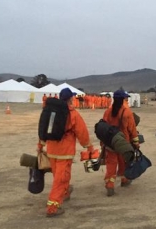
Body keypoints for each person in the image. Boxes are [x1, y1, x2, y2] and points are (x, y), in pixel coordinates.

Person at [37, 88, 95, 217]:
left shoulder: (51, 112)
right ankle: (53, 207)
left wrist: (40, 145)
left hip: (52, 150)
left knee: (59, 176)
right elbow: (82, 132)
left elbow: (44, 129)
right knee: (61, 179)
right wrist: (89, 147)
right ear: (70, 99)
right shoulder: (72, 113)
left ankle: (65, 192)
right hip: (65, 152)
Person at [102, 90, 139, 196]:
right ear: (123, 99)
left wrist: (103, 142)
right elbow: (132, 129)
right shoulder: (127, 112)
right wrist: (136, 142)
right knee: (124, 162)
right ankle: (124, 180)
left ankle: (110, 184)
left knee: (111, 164)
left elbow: (103, 127)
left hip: (110, 142)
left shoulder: (107, 112)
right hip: (123, 143)